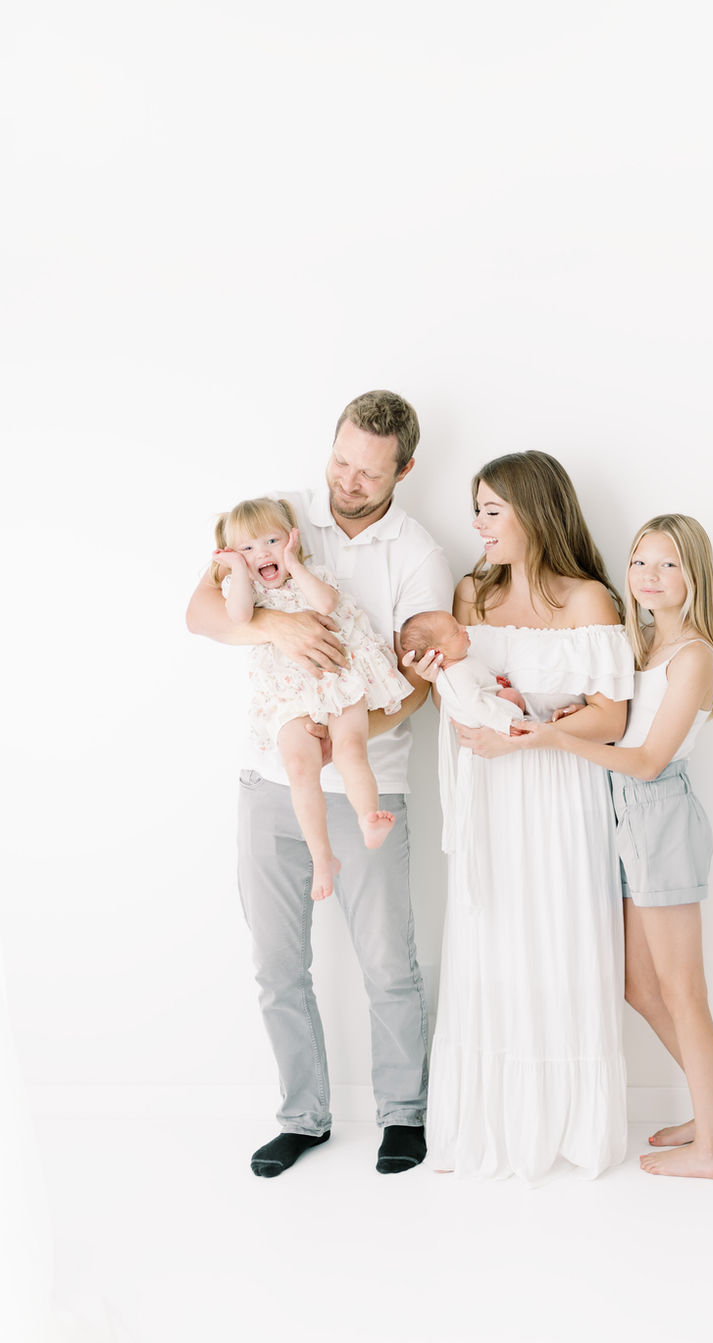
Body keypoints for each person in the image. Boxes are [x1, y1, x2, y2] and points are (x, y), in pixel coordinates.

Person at [186, 390, 454, 1177]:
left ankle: (404, 1114)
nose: (349, 480)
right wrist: (274, 624)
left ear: (405, 468)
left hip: (371, 779)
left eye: (370, 472)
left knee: (387, 963)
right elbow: (200, 608)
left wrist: (340, 737)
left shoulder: (420, 555)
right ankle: (302, 1116)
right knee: (277, 965)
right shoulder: (277, 514)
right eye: (341, 460)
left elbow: (417, 684)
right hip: (269, 777)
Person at [406, 451, 634, 1183]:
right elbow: (455, 695)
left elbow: (611, 718)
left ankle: (569, 1120)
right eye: (477, 509)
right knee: (493, 943)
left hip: (562, 799)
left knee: (563, 941)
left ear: (535, 511)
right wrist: (460, 688)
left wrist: (534, 731)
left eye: (491, 510)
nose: (477, 524)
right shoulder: (470, 594)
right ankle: (492, 1124)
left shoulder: (590, 601)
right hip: (492, 799)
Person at [517, 514, 713, 1179]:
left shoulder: (694, 654)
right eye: (640, 561)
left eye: (667, 563)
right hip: (621, 817)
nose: (649, 575)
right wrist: (566, 720)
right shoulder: (640, 648)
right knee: (639, 983)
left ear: (693, 574)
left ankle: (712, 1149)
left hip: (659, 817)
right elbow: (618, 733)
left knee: (682, 990)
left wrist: (560, 740)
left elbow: (645, 760)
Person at [212, 497, 413, 901]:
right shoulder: (244, 588)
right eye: (247, 548)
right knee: (300, 767)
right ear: (234, 555)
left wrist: (295, 564)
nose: (262, 553)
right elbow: (237, 616)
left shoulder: (312, 572)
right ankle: (323, 857)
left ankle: (367, 816)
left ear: (290, 539)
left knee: (351, 747)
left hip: (338, 677)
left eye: (271, 540)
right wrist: (236, 569)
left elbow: (325, 604)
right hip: (288, 692)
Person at [398, 609, 527, 727]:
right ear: (437, 653)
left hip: (490, 709)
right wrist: (505, 725)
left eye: (458, 624)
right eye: (455, 632)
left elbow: (481, 684)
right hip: (487, 720)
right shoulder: (457, 674)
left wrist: (495, 684)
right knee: (510, 695)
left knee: (509, 694)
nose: (464, 628)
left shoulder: (463, 662)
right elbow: (474, 706)